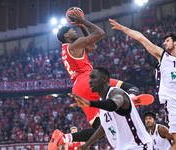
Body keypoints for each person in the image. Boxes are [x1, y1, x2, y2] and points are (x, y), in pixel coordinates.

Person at [48, 9, 140, 150]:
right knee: (130, 88)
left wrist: (82, 27)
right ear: (66, 35)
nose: (75, 31)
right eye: (72, 30)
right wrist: (83, 21)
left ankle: (65, 137)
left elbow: (92, 46)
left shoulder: (68, 49)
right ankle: (131, 98)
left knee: (100, 129)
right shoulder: (75, 45)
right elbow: (100, 33)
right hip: (87, 80)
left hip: (78, 87)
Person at [109, 18, 176, 150]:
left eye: (167, 41)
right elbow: (141, 38)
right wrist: (123, 28)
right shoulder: (162, 56)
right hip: (174, 103)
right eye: (164, 42)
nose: (164, 43)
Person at [68, 67, 152, 150]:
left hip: (138, 145)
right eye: (90, 78)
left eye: (93, 77)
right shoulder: (102, 101)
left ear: (104, 79)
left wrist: (90, 103)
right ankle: (131, 97)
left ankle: (131, 97)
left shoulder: (117, 92)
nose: (89, 81)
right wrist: (86, 145)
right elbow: (103, 127)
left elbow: (113, 105)